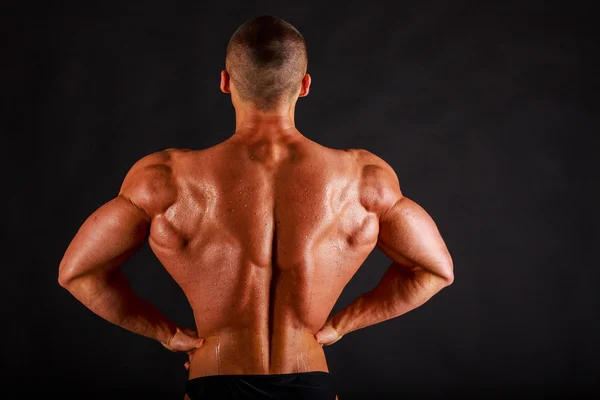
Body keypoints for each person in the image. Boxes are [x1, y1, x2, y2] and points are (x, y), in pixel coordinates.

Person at [58, 15, 454, 400]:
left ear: (225, 82)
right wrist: (341, 326)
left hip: (214, 377)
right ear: (304, 85)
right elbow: (436, 270)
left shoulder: (164, 179)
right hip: (308, 380)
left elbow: (78, 273)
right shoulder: (366, 180)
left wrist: (166, 334)